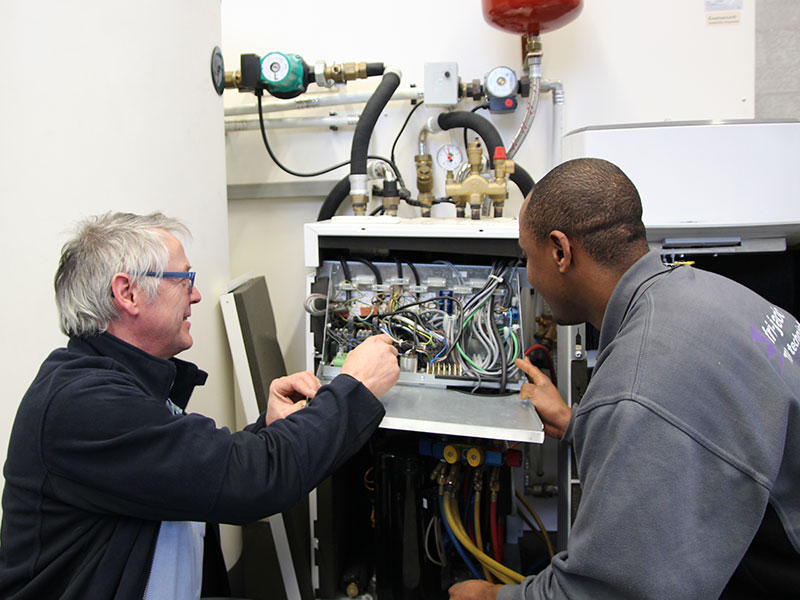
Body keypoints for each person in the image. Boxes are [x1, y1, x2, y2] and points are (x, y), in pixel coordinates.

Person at [0, 212, 400, 599]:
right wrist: (356, 387)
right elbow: (250, 482)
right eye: (183, 278)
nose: (195, 294)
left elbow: (192, 471)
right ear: (128, 293)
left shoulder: (125, 383)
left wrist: (268, 428)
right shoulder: (85, 403)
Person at [449, 158, 800, 600]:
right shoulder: (702, 292)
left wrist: (491, 597)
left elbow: (611, 593)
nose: (530, 277)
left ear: (560, 251)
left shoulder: (639, 386)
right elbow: (705, 429)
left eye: (527, 257)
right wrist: (581, 423)